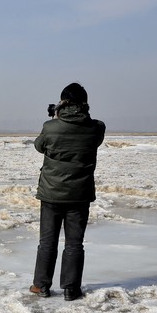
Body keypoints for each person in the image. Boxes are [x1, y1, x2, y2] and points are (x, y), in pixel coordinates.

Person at [30, 82, 105, 301]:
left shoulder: (50, 126)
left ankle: (41, 286)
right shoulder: (96, 127)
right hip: (80, 194)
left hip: (51, 193)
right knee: (74, 243)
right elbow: (95, 138)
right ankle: (71, 289)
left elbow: (39, 146)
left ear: (62, 102)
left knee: (47, 241)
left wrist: (55, 119)